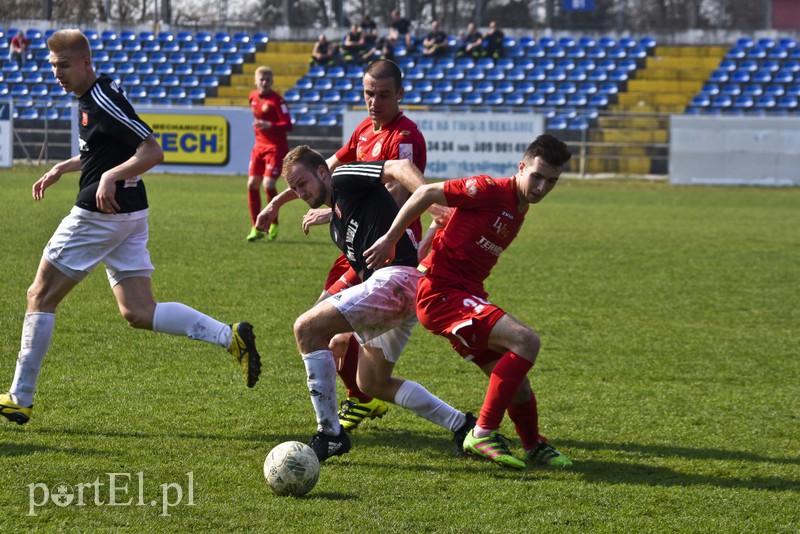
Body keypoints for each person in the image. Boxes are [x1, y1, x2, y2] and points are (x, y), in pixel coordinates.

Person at [0, 29, 262, 426]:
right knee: (139, 311)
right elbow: (102, 149)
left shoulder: (102, 98)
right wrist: (62, 167)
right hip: (128, 215)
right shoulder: (93, 95)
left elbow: (152, 149)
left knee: (39, 295)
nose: (57, 73)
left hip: (98, 216)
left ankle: (19, 397)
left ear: (86, 63)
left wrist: (107, 177)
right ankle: (231, 338)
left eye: (65, 65)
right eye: (53, 66)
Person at [364, 134, 574, 470]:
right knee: (526, 341)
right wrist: (390, 239)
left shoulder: (520, 207)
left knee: (517, 384)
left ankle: (534, 446)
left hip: (465, 294)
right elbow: (426, 192)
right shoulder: (489, 189)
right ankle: (483, 432)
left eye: (552, 181)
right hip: (441, 294)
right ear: (521, 167)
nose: (541, 187)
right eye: (537, 176)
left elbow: (454, 229)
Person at [256, 146, 474, 462]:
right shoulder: (337, 225)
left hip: (396, 280)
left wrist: (433, 204)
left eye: (302, 183)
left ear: (321, 172)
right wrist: (345, 328)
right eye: (294, 188)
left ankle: (329, 434)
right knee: (372, 382)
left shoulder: (343, 177)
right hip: (397, 290)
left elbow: (399, 166)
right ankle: (462, 425)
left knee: (305, 328)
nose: (300, 193)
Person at [261, 60, 427, 434]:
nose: (374, 102)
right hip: (356, 244)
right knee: (325, 327)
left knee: (326, 328)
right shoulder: (365, 130)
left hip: (387, 247)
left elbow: (397, 190)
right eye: (369, 93)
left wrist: (337, 213)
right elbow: (327, 167)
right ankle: (361, 397)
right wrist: (278, 202)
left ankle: (359, 402)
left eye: (383, 95)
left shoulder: (405, 138)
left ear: (399, 94)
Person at [245, 66, 292, 242]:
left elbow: (288, 125)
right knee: (251, 185)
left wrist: (269, 125)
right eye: (261, 79)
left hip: (275, 148)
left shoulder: (277, 101)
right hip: (259, 147)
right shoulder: (252, 97)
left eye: (268, 80)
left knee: (268, 184)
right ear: (256, 81)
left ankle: (273, 222)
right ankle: (255, 227)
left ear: (272, 82)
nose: (264, 83)